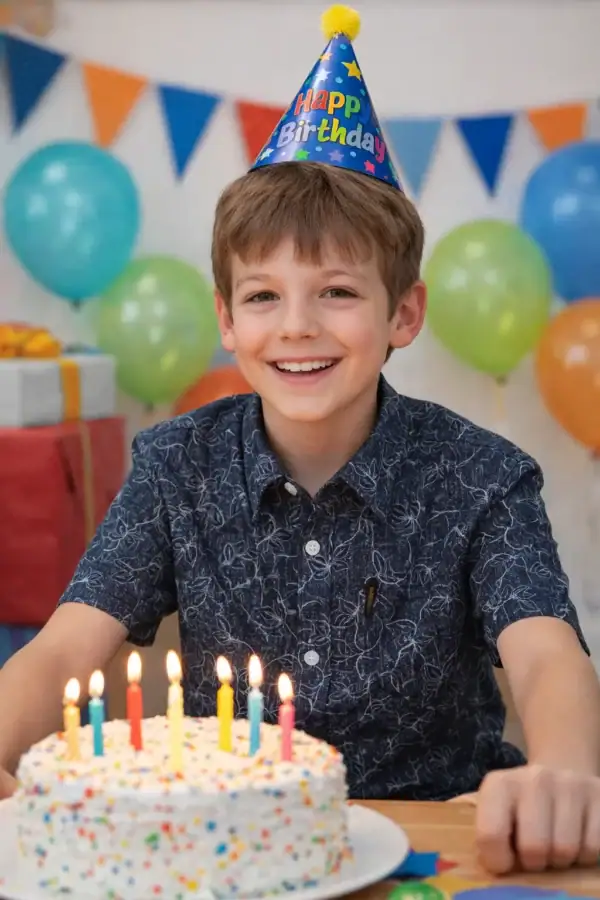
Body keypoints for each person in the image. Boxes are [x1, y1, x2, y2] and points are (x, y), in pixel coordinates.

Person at [1, 4, 600, 879]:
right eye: (263, 297)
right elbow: (63, 648)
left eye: (337, 293)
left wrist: (566, 771)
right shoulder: (177, 467)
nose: (297, 328)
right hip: (228, 860)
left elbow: (548, 655)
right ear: (227, 321)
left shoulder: (482, 475)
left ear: (404, 312)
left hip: (440, 853)